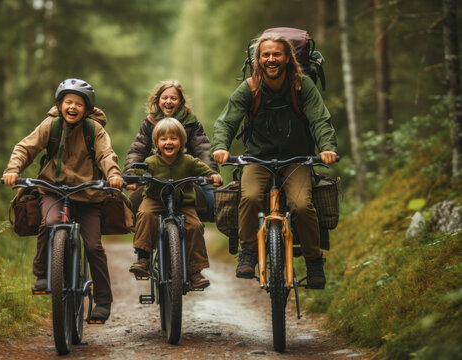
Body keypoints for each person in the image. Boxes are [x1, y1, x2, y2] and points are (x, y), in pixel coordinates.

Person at [211, 32, 338, 289]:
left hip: (297, 160)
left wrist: (326, 147)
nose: (271, 59)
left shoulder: (302, 85)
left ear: (287, 58)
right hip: (257, 159)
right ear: (258, 59)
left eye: (276, 54)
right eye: (266, 55)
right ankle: (248, 252)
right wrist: (221, 147)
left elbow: (319, 119)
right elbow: (227, 120)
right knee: (248, 197)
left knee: (302, 205)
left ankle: (314, 261)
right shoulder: (249, 87)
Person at [3, 78, 124, 321]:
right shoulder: (51, 125)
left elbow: (106, 154)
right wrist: (13, 169)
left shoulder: (94, 130)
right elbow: (25, 148)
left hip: (89, 196)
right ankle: (43, 274)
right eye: (68, 102)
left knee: (93, 246)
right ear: (59, 105)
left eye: (79, 104)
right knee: (50, 224)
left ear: (87, 109)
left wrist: (113, 175)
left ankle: (103, 300)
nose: (73, 107)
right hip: (53, 190)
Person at [127, 118, 223, 289]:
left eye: (173, 138)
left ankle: (195, 271)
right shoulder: (150, 162)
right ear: (156, 143)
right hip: (154, 199)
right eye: (163, 139)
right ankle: (143, 258)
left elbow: (206, 170)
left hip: (183, 203)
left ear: (181, 142)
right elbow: (135, 172)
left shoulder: (189, 161)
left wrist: (213, 176)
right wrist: (132, 180)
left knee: (194, 226)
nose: (168, 142)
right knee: (145, 214)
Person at [125, 80, 218, 222]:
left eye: (173, 98)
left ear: (180, 101)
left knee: (212, 203)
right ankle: (146, 238)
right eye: (165, 98)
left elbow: (203, 149)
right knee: (131, 205)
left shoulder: (191, 123)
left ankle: (192, 231)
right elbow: (137, 150)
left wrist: (210, 174)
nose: (169, 101)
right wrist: (131, 175)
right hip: (155, 172)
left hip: (185, 171)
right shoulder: (149, 123)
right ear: (158, 101)